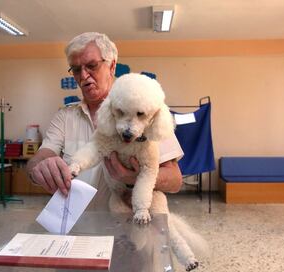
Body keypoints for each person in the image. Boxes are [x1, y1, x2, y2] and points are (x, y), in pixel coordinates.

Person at [26, 32, 183, 210]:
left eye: (91, 66)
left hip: (129, 229)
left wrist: (134, 178)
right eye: (76, 69)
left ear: (112, 66)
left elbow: (175, 180)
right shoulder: (64, 116)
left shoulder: (147, 110)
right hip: (78, 230)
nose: (83, 76)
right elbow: (40, 157)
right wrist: (38, 168)